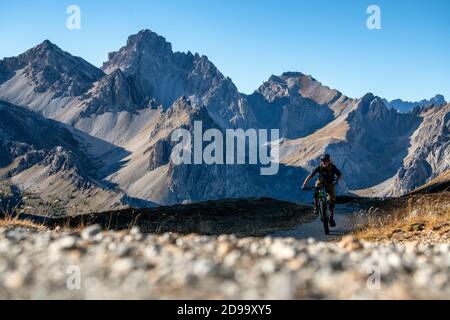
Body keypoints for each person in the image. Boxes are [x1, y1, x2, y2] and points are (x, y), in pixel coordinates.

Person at [301, 154, 342, 227]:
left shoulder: (333, 167)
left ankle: (331, 218)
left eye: (326, 161)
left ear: (329, 161)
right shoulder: (319, 167)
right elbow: (310, 176)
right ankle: (316, 206)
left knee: (332, 200)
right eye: (323, 161)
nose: (324, 162)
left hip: (330, 184)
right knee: (316, 189)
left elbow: (339, 174)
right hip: (321, 182)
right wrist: (304, 185)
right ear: (321, 161)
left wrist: (336, 180)